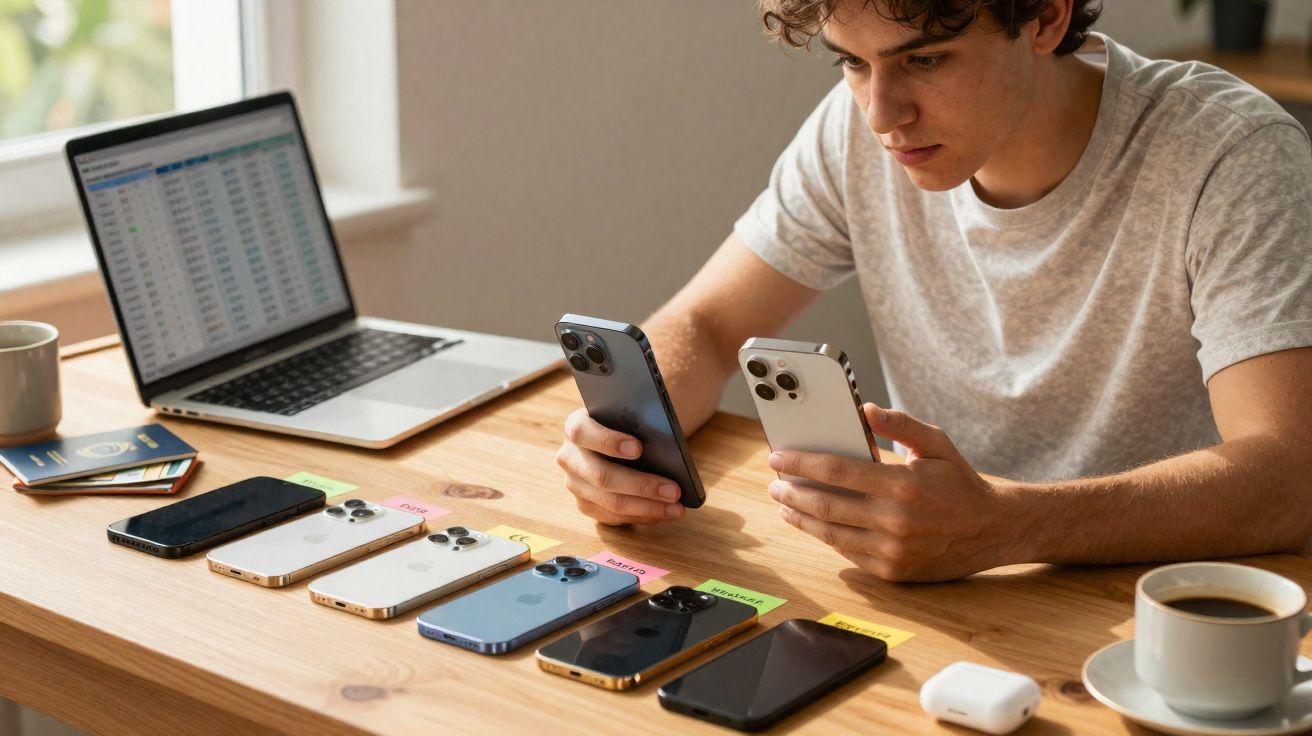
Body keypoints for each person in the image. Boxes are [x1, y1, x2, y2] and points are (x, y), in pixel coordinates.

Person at [555, 0, 1312, 582]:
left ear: (1046, 16)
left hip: (1175, 607)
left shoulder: (1231, 156)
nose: (883, 114)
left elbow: (1287, 476)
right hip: (942, 590)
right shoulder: (854, 134)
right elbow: (709, 326)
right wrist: (628, 440)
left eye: (927, 59)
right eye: (850, 63)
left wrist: (1009, 526)